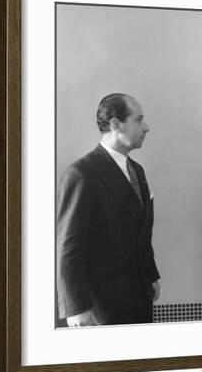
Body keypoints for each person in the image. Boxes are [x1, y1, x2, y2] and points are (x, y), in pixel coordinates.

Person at [56, 93, 160, 327]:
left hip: (139, 296)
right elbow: (69, 246)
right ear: (116, 124)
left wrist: (151, 276)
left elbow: (141, 233)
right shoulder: (82, 173)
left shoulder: (137, 170)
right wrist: (76, 308)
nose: (146, 127)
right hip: (101, 306)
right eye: (138, 120)